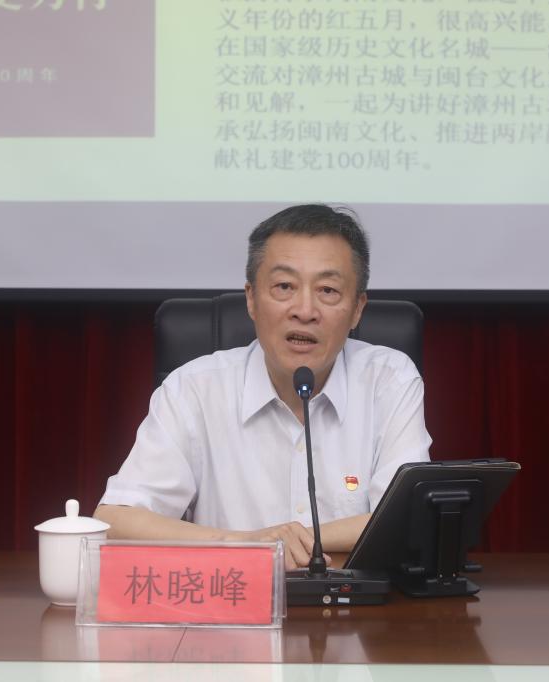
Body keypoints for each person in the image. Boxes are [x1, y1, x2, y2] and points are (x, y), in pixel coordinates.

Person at [94, 204, 431, 568]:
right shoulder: (193, 390)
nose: (305, 310)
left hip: (354, 604)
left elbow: (408, 517)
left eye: (328, 290)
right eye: (284, 286)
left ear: (358, 309)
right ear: (251, 299)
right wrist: (247, 543)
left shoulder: (389, 381)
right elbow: (115, 522)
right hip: (230, 599)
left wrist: (293, 540)